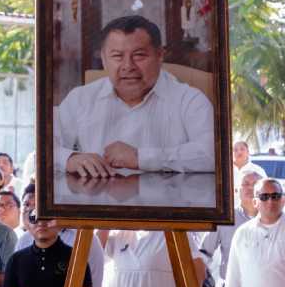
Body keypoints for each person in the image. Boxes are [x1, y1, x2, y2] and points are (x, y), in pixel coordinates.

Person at [54, 15, 214, 177]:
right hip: (97, 200)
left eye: (139, 55)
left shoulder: (189, 100)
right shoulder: (80, 98)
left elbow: (213, 154)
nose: (128, 66)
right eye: (117, 56)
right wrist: (70, 159)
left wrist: (141, 158)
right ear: (103, 59)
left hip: (171, 199)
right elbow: (45, 149)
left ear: (160, 55)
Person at [200, 170, 262, 287]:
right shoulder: (225, 218)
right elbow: (203, 252)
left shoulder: (274, 220)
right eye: (245, 184)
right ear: (237, 190)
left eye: (255, 184)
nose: (250, 188)